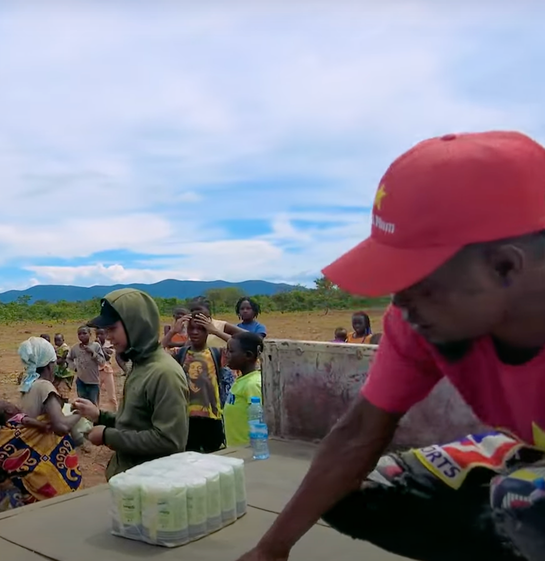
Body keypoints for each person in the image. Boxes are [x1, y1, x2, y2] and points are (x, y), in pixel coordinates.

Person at [236, 131, 545, 561]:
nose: (400, 304)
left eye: (419, 282)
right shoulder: (419, 320)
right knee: (352, 491)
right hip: (528, 448)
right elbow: (357, 434)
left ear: (506, 267)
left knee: (524, 510)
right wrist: (270, 550)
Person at [73, 289, 189, 479]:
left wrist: (107, 436)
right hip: (133, 481)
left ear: (135, 326)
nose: (108, 337)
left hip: (152, 484)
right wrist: (100, 416)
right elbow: (137, 423)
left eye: (112, 329)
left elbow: (170, 441)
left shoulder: (164, 373)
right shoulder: (140, 366)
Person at [0, 398, 82, 510]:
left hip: (35, 490)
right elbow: (29, 422)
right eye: (8, 403)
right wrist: (43, 425)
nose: (14, 404)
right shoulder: (25, 420)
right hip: (57, 479)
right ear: (8, 410)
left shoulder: (0, 438)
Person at [173, 301, 226, 453]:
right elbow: (155, 354)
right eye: (192, 328)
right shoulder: (180, 354)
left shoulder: (217, 353)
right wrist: (173, 332)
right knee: (190, 458)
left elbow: (246, 343)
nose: (195, 332)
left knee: (214, 458)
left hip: (212, 418)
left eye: (201, 329)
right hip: (187, 419)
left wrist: (215, 331)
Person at [17, 337, 82, 434]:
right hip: (37, 441)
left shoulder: (28, 383)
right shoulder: (44, 386)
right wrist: (80, 413)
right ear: (49, 365)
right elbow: (61, 427)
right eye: (54, 362)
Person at [222, 332, 264, 448]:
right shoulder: (242, 380)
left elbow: (259, 422)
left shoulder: (253, 384)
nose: (226, 354)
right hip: (235, 449)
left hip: (247, 451)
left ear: (248, 355)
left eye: (231, 351)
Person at [69, 326, 106, 405]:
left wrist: (92, 352)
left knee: (93, 405)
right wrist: (74, 367)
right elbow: (69, 359)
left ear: (90, 334)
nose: (82, 335)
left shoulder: (96, 346)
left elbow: (102, 362)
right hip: (81, 381)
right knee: (83, 404)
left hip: (93, 381)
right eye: (79, 334)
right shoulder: (75, 348)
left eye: (84, 333)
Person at [95, 327, 120, 411]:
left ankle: (115, 411)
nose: (99, 336)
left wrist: (100, 347)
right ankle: (96, 412)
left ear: (106, 335)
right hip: (97, 372)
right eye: (97, 334)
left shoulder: (109, 344)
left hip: (107, 371)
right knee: (95, 395)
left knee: (112, 396)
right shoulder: (94, 345)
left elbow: (107, 357)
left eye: (101, 334)